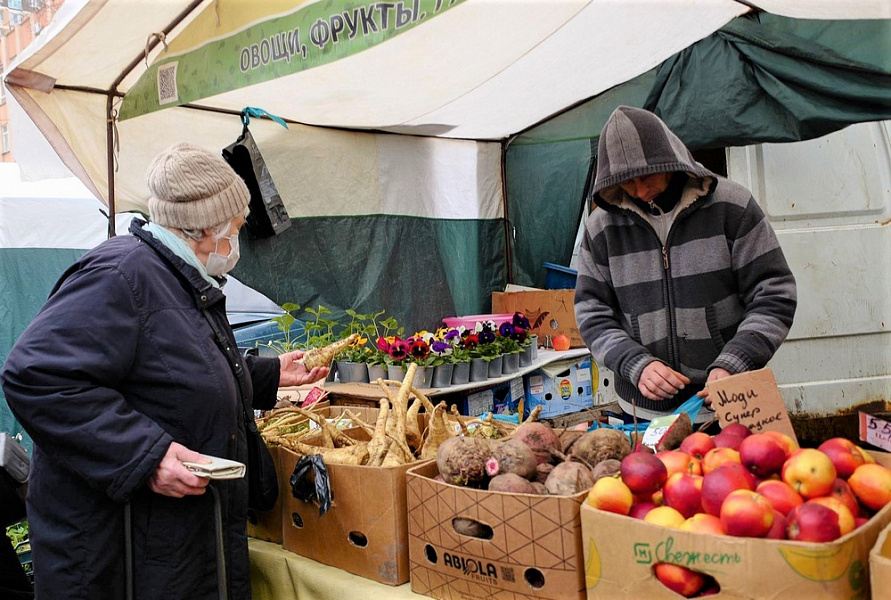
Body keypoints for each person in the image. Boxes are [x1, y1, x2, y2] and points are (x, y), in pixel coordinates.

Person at [1, 142, 328, 600]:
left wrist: (269, 375)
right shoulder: (121, 274)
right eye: (234, 229)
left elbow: (174, 370)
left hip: (167, 542)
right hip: (118, 554)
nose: (235, 244)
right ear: (205, 229)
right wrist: (146, 455)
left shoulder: (176, 276)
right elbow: (37, 375)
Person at [574, 106, 797, 425]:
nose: (638, 190)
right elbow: (592, 313)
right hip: (641, 409)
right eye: (626, 181)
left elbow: (775, 297)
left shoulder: (733, 207)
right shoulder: (601, 228)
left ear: (670, 161)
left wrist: (735, 361)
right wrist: (635, 364)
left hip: (727, 403)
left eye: (646, 175)